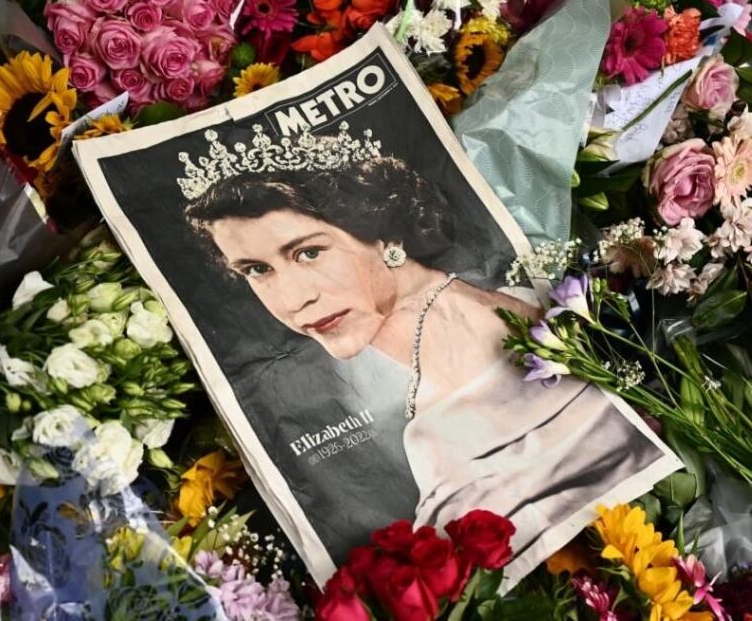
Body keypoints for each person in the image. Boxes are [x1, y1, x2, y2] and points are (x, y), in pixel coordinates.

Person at [184, 131, 679, 585]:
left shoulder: (462, 338)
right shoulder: (453, 320)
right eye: (255, 270)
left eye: (308, 252)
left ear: (382, 233)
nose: (293, 299)